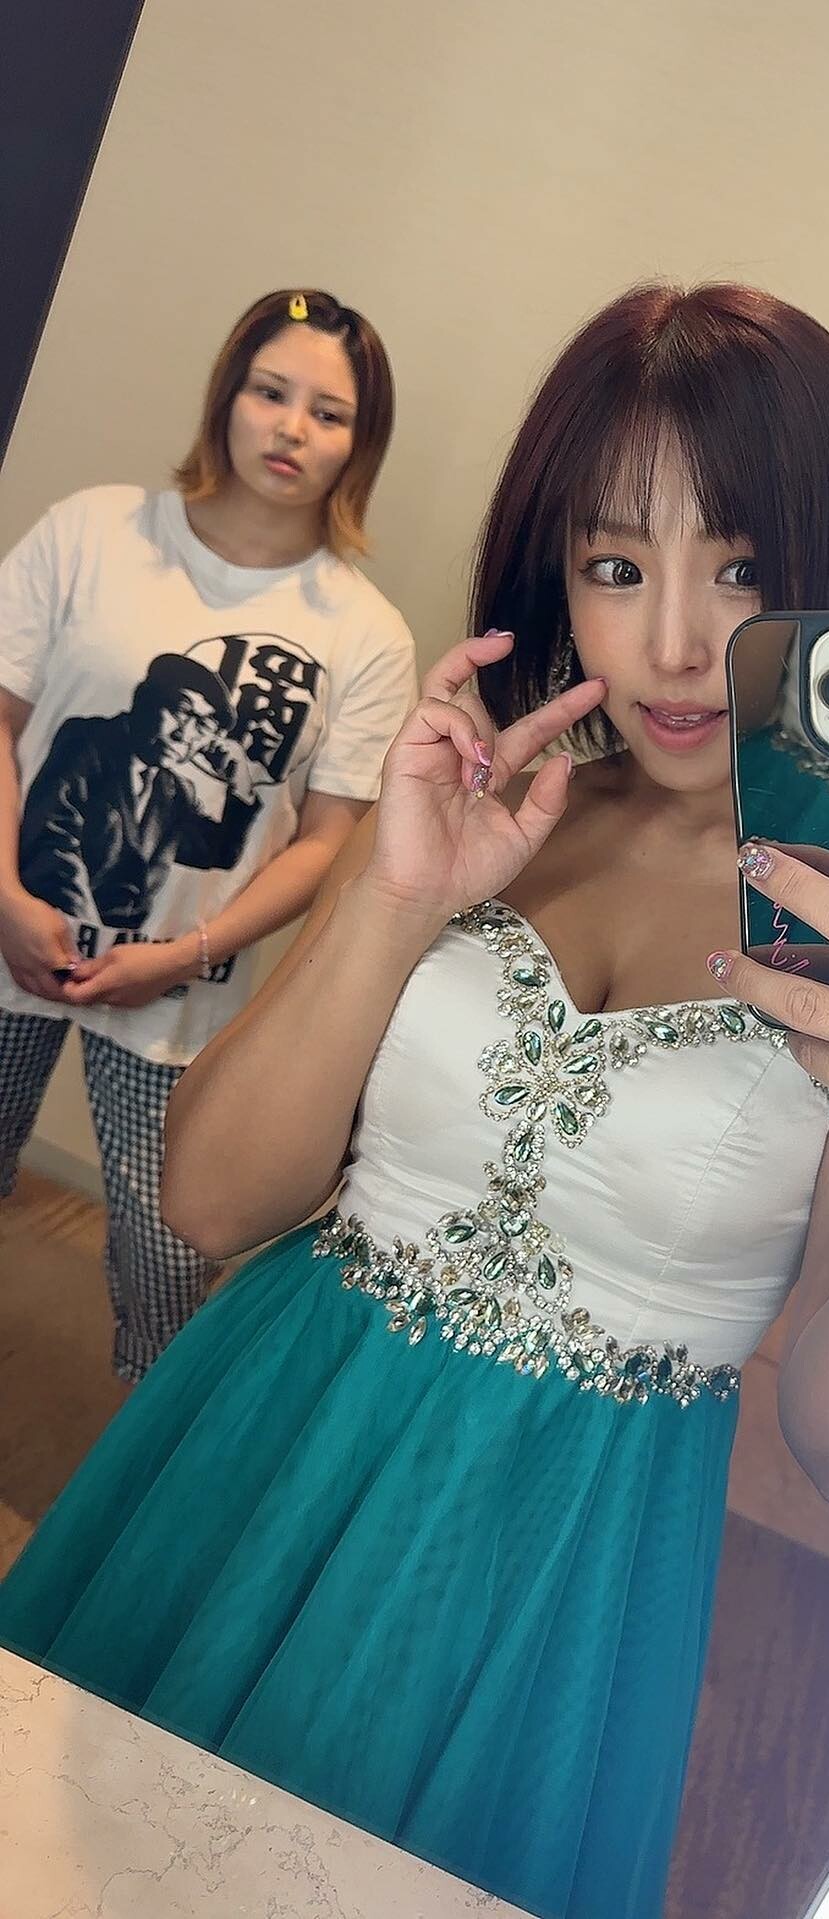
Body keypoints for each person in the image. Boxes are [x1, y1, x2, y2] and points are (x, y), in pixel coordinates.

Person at [0, 285, 829, 1918]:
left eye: (742, 568)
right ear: (554, 568)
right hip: (261, 1427)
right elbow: (205, 1199)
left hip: (550, 1553)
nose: (674, 642)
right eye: (615, 564)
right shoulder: (483, 798)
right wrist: (393, 896)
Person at [0, 288, 418, 1379]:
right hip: (11, 932)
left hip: (181, 989)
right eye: (271, 392)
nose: (291, 428)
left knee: (167, 1253)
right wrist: (6, 896)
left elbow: (326, 841)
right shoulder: (94, 531)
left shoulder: (364, 633)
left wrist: (183, 952)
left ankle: (147, 1447)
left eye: (329, 412)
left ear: (359, 443)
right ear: (226, 396)